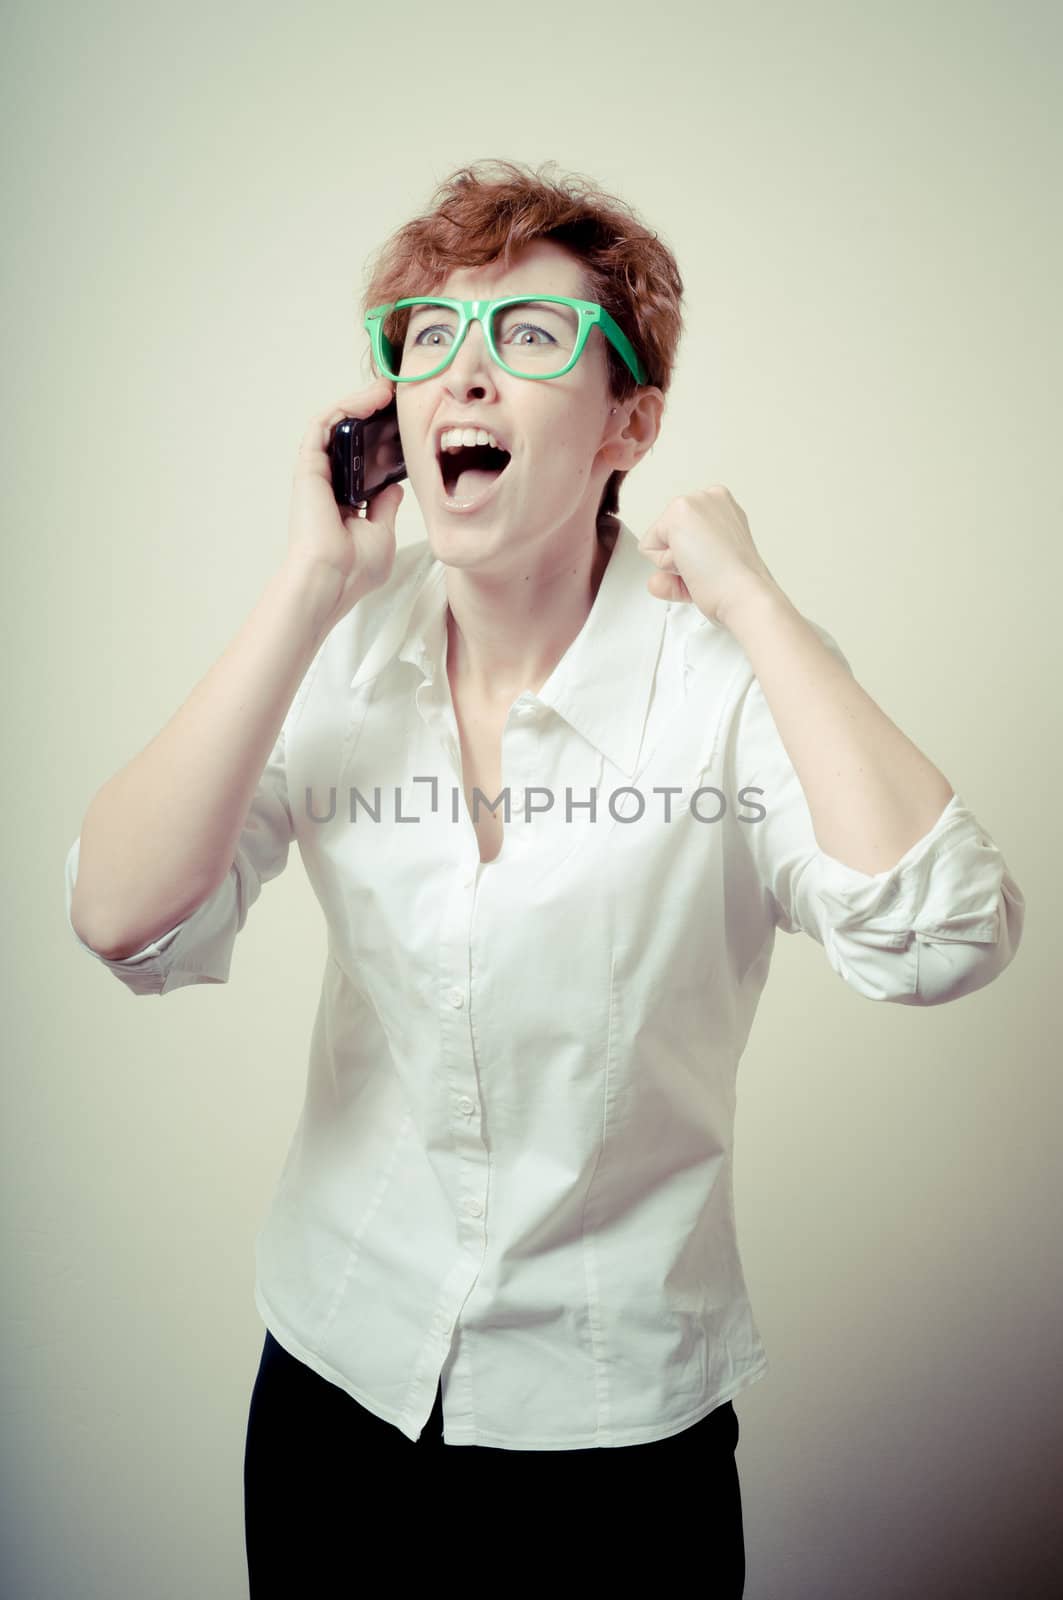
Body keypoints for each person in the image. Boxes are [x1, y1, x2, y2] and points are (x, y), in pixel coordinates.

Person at [63, 159, 1025, 1596]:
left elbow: (944, 935)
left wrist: (761, 605)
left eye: (527, 337)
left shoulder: (723, 686)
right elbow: (119, 917)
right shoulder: (337, 651)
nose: (461, 377)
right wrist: (307, 584)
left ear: (630, 421)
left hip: (618, 1435)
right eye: (430, 342)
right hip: (338, 1387)